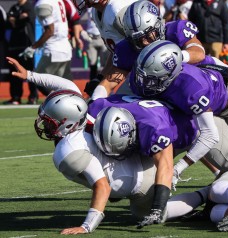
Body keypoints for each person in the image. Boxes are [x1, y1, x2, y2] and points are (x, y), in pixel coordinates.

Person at [6, 55, 212, 233]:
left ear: (67, 123)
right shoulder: (85, 111)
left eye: (51, 122)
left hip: (139, 178)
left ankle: (208, 193)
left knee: (147, 212)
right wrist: (30, 75)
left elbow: (102, 186)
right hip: (139, 153)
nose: (46, 126)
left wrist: (87, 226)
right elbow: (65, 86)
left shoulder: (71, 148)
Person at [129, 40, 228, 181]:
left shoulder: (191, 88)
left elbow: (209, 136)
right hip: (216, 105)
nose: (145, 82)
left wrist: (178, 168)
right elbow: (211, 61)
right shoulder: (170, 72)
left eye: (152, 78)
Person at [94, 0, 206, 96]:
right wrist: (95, 98)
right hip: (151, 90)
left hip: (188, 83)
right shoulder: (129, 48)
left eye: (148, 35)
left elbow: (199, 53)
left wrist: (172, 58)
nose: (144, 42)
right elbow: (109, 82)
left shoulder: (175, 30)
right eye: (138, 38)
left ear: (158, 25)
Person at [19, 0, 73, 96]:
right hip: (66, 49)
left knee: (38, 79)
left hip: (54, 50)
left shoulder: (43, 4)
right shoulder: (57, 1)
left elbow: (50, 30)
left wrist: (33, 47)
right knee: (65, 86)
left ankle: (57, 102)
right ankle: (71, 105)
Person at [4, 0, 38, 105]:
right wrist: (18, 19)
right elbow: (10, 22)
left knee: (30, 72)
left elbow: (26, 19)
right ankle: (15, 97)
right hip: (14, 46)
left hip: (27, 46)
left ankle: (33, 97)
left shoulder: (30, 7)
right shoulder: (14, 7)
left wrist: (16, 20)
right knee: (14, 73)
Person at [85, 8, 109, 80]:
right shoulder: (88, 6)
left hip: (103, 37)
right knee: (92, 64)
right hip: (91, 38)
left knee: (106, 64)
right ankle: (92, 85)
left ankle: (105, 86)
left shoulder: (104, 6)